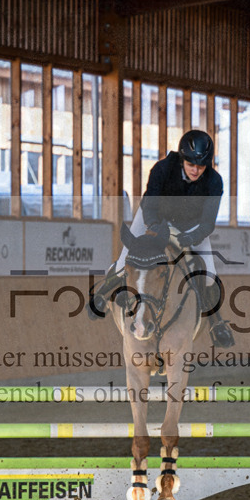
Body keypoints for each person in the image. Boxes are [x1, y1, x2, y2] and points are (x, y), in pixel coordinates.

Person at [89, 129, 235, 349]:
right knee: (124, 260)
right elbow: (151, 203)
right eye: (191, 164)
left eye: (201, 166)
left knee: (209, 274)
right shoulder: (162, 169)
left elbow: (208, 222)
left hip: (190, 227)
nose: (196, 170)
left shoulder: (215, 182)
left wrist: (193, 236)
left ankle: (217, 323)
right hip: (153, 218)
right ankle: (102, 294)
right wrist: (155, 227)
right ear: (182, 159)